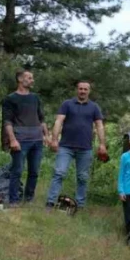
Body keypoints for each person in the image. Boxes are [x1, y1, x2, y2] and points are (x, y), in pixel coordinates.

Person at [46, 80, 107, 210]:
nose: (83, 91)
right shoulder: (67, 104)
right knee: (59, 173)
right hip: (65, 146)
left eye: (85, 89)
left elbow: (99, 126)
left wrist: (102, 144)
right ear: (77, 90)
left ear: (89, 91)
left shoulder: (94, 107)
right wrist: (54, 139)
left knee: (83, 177)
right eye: (80, 89)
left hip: (85, 148)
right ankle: (50, 202)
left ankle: (79, 205)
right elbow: (58, 121)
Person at [2, 69, 48, 206]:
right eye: (29, 78)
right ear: (20, 79)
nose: (32, 80)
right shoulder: (10, 99)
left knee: (34, 172)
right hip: (20, 140)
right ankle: (13, 201)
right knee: (17, 171)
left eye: (32, 78)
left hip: (37, 140)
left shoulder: (35, 98)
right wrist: (12, 140)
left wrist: (47, 135)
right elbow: (7, 121)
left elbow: (42, 118)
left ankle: (29, 199)